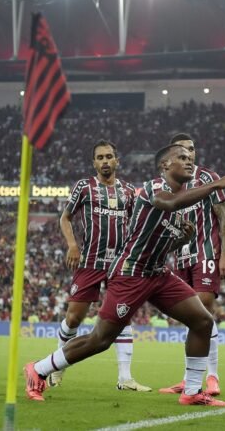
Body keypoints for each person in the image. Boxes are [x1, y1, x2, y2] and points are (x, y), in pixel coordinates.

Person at [24, 144, 225, 406]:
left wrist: (180, 239)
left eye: (190, 159)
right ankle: (38, 369)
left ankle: (193, 391)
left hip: (159, 275)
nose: (189, 162)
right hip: (131, 273)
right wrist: (216, 185)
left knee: (203, 322)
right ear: (165, 166)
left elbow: (158, 242)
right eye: (181, 158)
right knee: (101, 339)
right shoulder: (153, 188)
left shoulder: (179, 205)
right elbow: (169, 202)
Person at [49, 140, 151, 392]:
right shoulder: (84, 187)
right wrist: (73, 245)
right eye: (100, 157)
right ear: (94, 162)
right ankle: (58, 364)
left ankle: (125, 378)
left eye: (109, 157)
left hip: (120, 264)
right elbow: (65, 217)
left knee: (122, 316)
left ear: (117, 160)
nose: (105, 161)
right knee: (74, 317)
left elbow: (137, 223)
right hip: (91, 261)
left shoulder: (128, 191)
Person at [159, 133, 225, 397]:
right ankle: (189, 378)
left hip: (206, 253)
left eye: (192, 150)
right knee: (190, 317)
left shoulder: (209, 179)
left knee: (203, 310)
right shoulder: (170, 184)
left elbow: (224, 217)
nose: (189, 155)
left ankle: (212, 376)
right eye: (183, 151)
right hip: (180, 258)